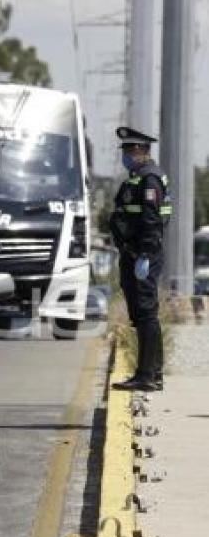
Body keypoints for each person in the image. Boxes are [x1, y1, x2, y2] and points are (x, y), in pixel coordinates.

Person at [109, 126, 172, 392]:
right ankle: (151, 373)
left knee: (146, 313)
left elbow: (152, 220)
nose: (126, 154)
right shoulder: (137, 178)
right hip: (133, 253)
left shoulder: (149, 180)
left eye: (129, 150)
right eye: (125, 150)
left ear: (141, 151)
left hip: (142, 254)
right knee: (142, 314)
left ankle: (147, 375)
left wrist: (144, 255)